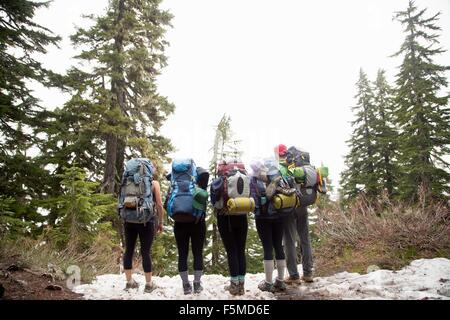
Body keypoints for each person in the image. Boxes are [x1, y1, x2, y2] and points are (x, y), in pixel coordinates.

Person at [166, 163, 209, 295]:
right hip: (197, 222)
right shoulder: (198, 180)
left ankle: (185, 285)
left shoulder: (174, 183)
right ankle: (196, 284)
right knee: (197, 253)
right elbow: (206, 176)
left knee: (182, 254)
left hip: (179, 223)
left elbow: (166, 204)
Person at [121, 161, 164, 293]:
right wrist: (160, 222)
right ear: (150, 169)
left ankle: (129, 282)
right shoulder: (153, 183)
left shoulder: (128, 180)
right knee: (145, 252)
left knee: (129, 250)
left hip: (129, 219)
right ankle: (149, 284)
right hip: (146, 221)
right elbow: (159, 205)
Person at [275, 144, 314, 284]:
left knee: (290, 241)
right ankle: (308, 273)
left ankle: (294, 275)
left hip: (290, 205)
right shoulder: (299, 165)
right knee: (305, 238)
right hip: (302, 204)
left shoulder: (280, 166)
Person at [250, 159, 287, 293]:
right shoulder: (279, 177)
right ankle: (281, 281)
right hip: (279, 216)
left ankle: (268, 283)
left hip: (263, 218)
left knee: (267, 248)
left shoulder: (255, 180)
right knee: (278, 246)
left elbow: (253, 200)